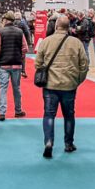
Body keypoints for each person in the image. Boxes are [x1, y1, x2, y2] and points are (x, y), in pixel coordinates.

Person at [35, 17, 89, 158]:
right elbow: (84, 65)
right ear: (68, 27)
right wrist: (78, 80)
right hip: (69, 85)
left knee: (48, 114)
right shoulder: (76, 43)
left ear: (56, 26)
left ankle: (48, 141)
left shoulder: (46, 41)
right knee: (69, 115)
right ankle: (68, 144)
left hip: (50, 85)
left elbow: (38, 64)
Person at [0, 12, 29, 121]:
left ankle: (2, 112)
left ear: (5, 20)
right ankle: (18, 111)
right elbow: (25, 48)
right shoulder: (20, 31)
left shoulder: (1, 32)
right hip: (17, 64)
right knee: (16, 88)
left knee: (3, 88)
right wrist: (20, 56)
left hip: (4, 65)